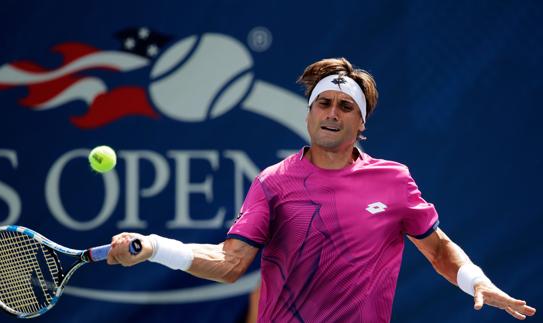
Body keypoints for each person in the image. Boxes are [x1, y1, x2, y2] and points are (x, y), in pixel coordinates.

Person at [107, 58, 536, 322]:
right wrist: (155, 247)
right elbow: (229, 262)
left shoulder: (394, 180)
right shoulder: (272, 182)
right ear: (310, 114)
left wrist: (476, 280)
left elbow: (439, 250)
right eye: (324, 104)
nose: (333, 113)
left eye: (345, 106)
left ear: (360, 123)